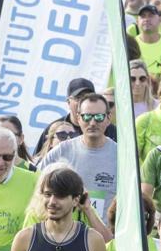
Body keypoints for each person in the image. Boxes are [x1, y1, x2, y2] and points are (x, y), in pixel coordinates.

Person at [39, 92, 120, 231]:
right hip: (63, 237)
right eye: (87, 116)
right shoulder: (61, 152)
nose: (93, 123)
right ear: (78, 118)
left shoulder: (122, 156)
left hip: (103, 240)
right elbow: (36, 189)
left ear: (108, 118)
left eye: (99, 117)